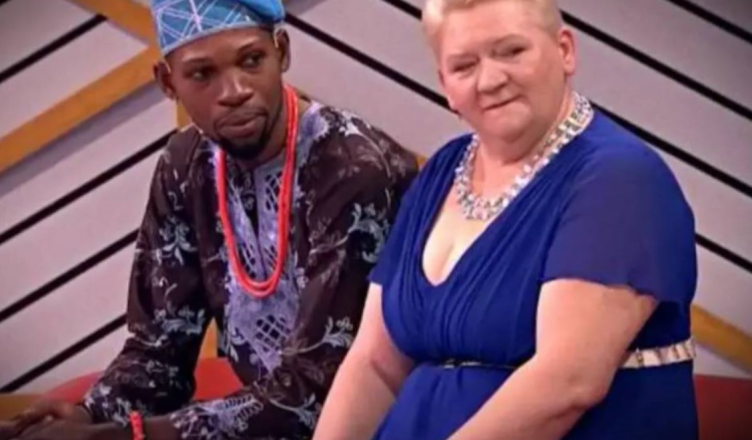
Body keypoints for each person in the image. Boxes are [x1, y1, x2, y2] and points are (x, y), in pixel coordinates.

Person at [0, 0, 418, 439]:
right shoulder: (186, 164)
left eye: (251, 60)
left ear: (282, 52)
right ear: (168, 82)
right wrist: (87, 415)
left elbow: (318, 388)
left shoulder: (351, 167)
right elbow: (159, 352)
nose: (234, 90)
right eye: (202, 74)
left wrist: (127, 436)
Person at [312, 0, 699, 439]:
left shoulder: (620, 179)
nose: (491, 80)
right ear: (444, 85)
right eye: (464, 66)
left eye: (511, 51)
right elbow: (374, 363)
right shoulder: (441, 169)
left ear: (565, 50)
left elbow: (568, 383)